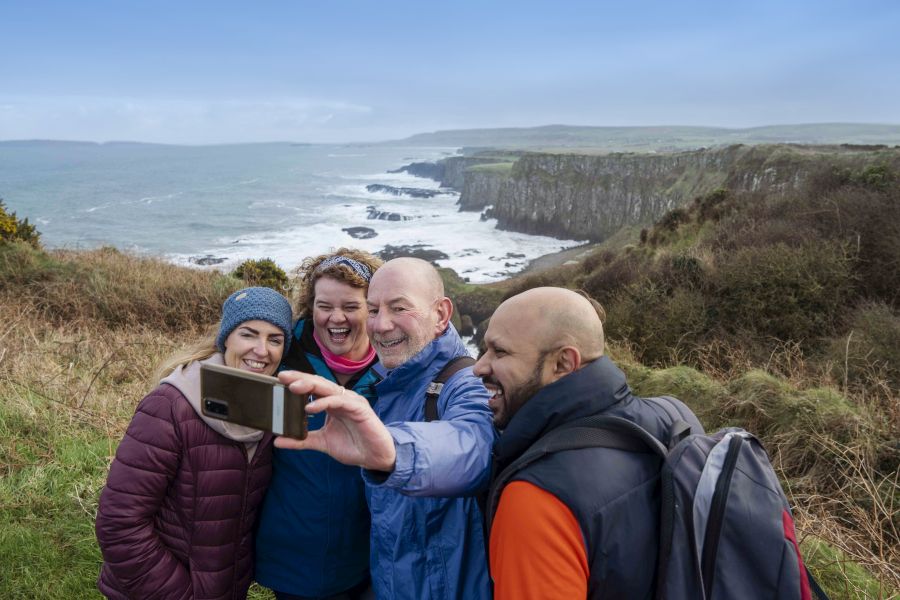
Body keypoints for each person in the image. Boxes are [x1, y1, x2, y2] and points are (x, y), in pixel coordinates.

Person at [276, 257, 496, 600]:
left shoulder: (462, 382)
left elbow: (473, 447)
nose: (380, 324)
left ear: (441, 314)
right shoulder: (390, 381)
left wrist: (393, 451)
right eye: (374, 310)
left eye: (399, 308)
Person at [473, 287, 703, 600]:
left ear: (563, 363)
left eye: (499, 353)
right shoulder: (672, 419)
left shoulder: (537, 497)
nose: (478, 367)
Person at [95, 286, 293, 600]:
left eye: (275, 339)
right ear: (226, 337)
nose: (262, 350)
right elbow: (120, 523)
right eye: (248, 334)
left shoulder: (270, 411)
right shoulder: (170, 405)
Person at [255, 250, 383, 600]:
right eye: (324, 306)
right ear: (311, 307)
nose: (335, 318)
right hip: (295, 560)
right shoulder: (280, 357)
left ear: (372, 309)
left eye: (351, 306)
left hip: (371, 560)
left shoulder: (396, 367)